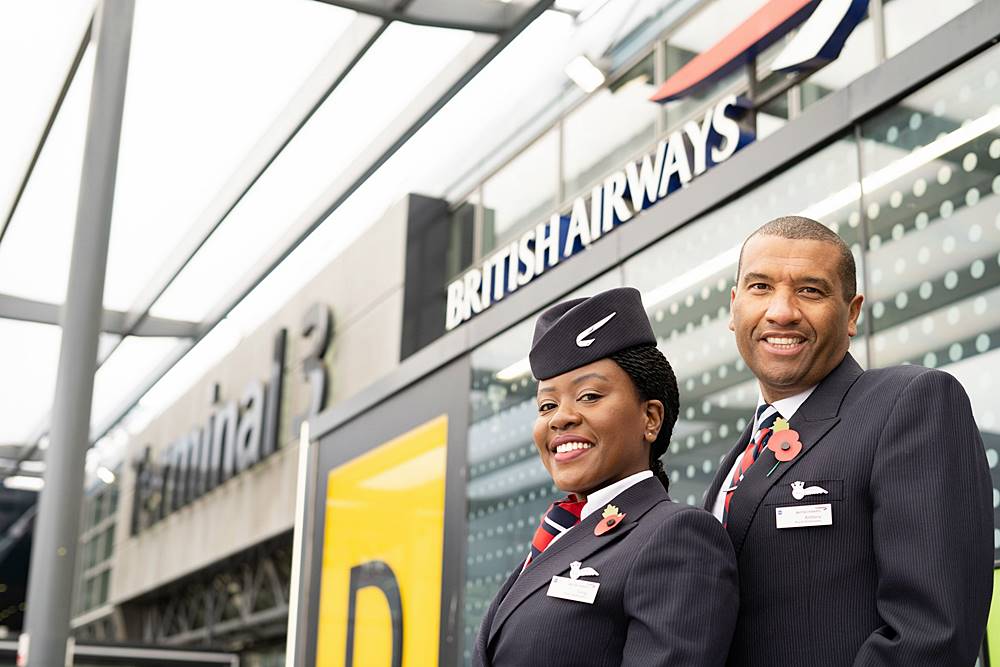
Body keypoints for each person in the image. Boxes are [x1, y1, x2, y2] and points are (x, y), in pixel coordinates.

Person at [705, 215, 993, 666]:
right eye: (760, 287)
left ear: (852, 312)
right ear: (734, 306)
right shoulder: (738, 461)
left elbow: (931, 634)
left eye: (810, 290)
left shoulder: (910, 403)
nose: (781, 311)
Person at [474, 286, 738, 667]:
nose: (560, 417)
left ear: (650, 418)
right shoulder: (560, 535)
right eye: (547, 404)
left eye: (590, 396)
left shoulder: (677, 537)